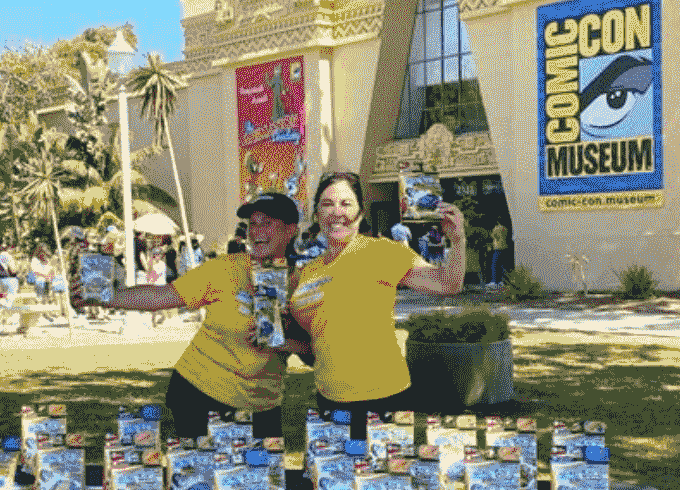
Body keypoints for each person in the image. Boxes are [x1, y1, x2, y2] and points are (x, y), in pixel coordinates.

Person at [73, 191, 308, 440]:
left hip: (263, 404)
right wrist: (105, 297)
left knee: (260, 476)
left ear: (291, 229)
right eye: (253, 224)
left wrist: (283, 340)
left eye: (267, 223)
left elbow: (316, 350)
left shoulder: (303, 283)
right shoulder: (225, 268)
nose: (257, 231)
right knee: (199, 474)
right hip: (198, 392)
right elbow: (162, 297)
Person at [288, 172, 465, 439]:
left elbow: (448, 284)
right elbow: (311, 340)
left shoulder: (382, 252)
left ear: (359, 212)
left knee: (386, 478)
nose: (337, 212)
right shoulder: (306, 273)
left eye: (346, 204)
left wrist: (458, 240)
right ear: (316, 214)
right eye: (327, 204)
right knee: (337, 479)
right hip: (329, 399)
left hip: (384, 399)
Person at [489, 220, 510, 288]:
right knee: (503, 265)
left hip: (498, 248)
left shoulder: (496, 228)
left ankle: (494, 281)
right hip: (505, 247)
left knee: (494, 265)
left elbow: (493, 236)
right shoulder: (505, 228)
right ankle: (503, 281)